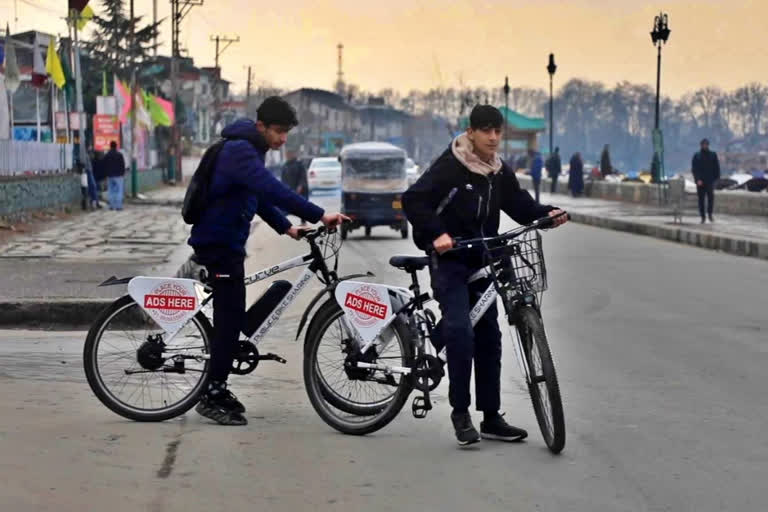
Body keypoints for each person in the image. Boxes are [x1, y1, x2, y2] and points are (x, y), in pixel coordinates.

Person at [402, 105, 568, 446]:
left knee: (490, 337)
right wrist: (437, 234)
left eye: (497, 131)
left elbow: (519, 204)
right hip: (449, 260)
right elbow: (412, 200)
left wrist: (545, 215)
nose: (493, 138)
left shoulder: (497, 171)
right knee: (461, 331)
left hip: (481, 259)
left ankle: (491, 417)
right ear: (471, 132)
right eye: (486, 131)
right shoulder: (450, 166)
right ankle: (460, 412)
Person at [188, 96, 348, 426]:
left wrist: (287, 227)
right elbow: (271, 189)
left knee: (232, 314)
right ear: (261, 126)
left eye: (286, 132)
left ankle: (218, 385)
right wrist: (319, 214)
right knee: (230, 319)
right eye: (278, 131)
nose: (282, 139)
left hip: (227, 242)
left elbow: (255, 196)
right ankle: (212, 393)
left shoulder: (248, 148)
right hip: (218, 244)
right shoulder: (240, 150)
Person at [692, 138, 720, 223]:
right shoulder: (697, 155)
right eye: (703, 145)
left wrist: (716, 178)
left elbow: (716, 167)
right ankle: (703, 216)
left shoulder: (713, 155)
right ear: (701, 145)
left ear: (708, 145)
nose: (705, 146)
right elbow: (694, 169)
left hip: (709, 180)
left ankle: (710, 214)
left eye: (706, 145)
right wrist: (697, 179)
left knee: (711, 198)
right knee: (701, 199)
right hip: (700, 181)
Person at [280, 149, 310, 224]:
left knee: (301, 205)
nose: (288, 156)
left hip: (300, 189)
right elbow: (283, 178)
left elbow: (303, 176)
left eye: (289, 154)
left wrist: (300, 186)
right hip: (289, 188)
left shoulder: (299, 164)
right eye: (287, 154)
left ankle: (303, 221)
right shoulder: (285, 165)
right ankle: (284, 222)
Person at [102, 141, 126, 210]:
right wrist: (123, 173)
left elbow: (104, 165)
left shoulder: (107, 155)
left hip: (109, 176)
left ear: (110, 146)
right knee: (119, 191)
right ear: (116, 146)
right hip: (118, 175)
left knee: (111, 191)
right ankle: (119, 206)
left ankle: (111, 206)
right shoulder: (119, 155)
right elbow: (122, 165)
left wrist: (105, 174)